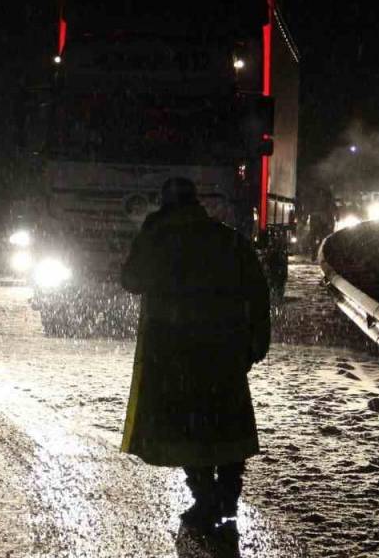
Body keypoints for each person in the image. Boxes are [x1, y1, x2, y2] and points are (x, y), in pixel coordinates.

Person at [119, 177, 271, 537]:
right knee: (227, 421)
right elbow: (257, 289)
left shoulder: (158, 240)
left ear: (165, 205)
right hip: (224, 347)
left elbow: (131, 280)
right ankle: (228, 497)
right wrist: (257, 339)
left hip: (173, 350)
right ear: (197, 203)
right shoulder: (228, 239)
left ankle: (204, 498)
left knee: (187, 426)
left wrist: (146, 233)